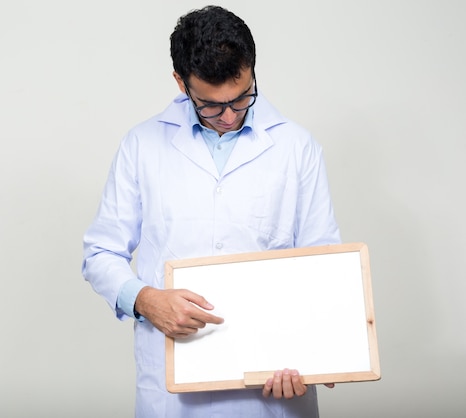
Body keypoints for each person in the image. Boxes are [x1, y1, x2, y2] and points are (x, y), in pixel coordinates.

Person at [82, 5, 340, 417]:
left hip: (273, 385)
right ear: (180, 82)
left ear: (252, 69)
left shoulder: (297, 148)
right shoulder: (141, 145)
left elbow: (322, 262)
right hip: (173, 390)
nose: (229, 116)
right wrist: (145, 299)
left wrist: (316, 353)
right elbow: (100, 253)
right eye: (210, 106)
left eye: (241, 99)